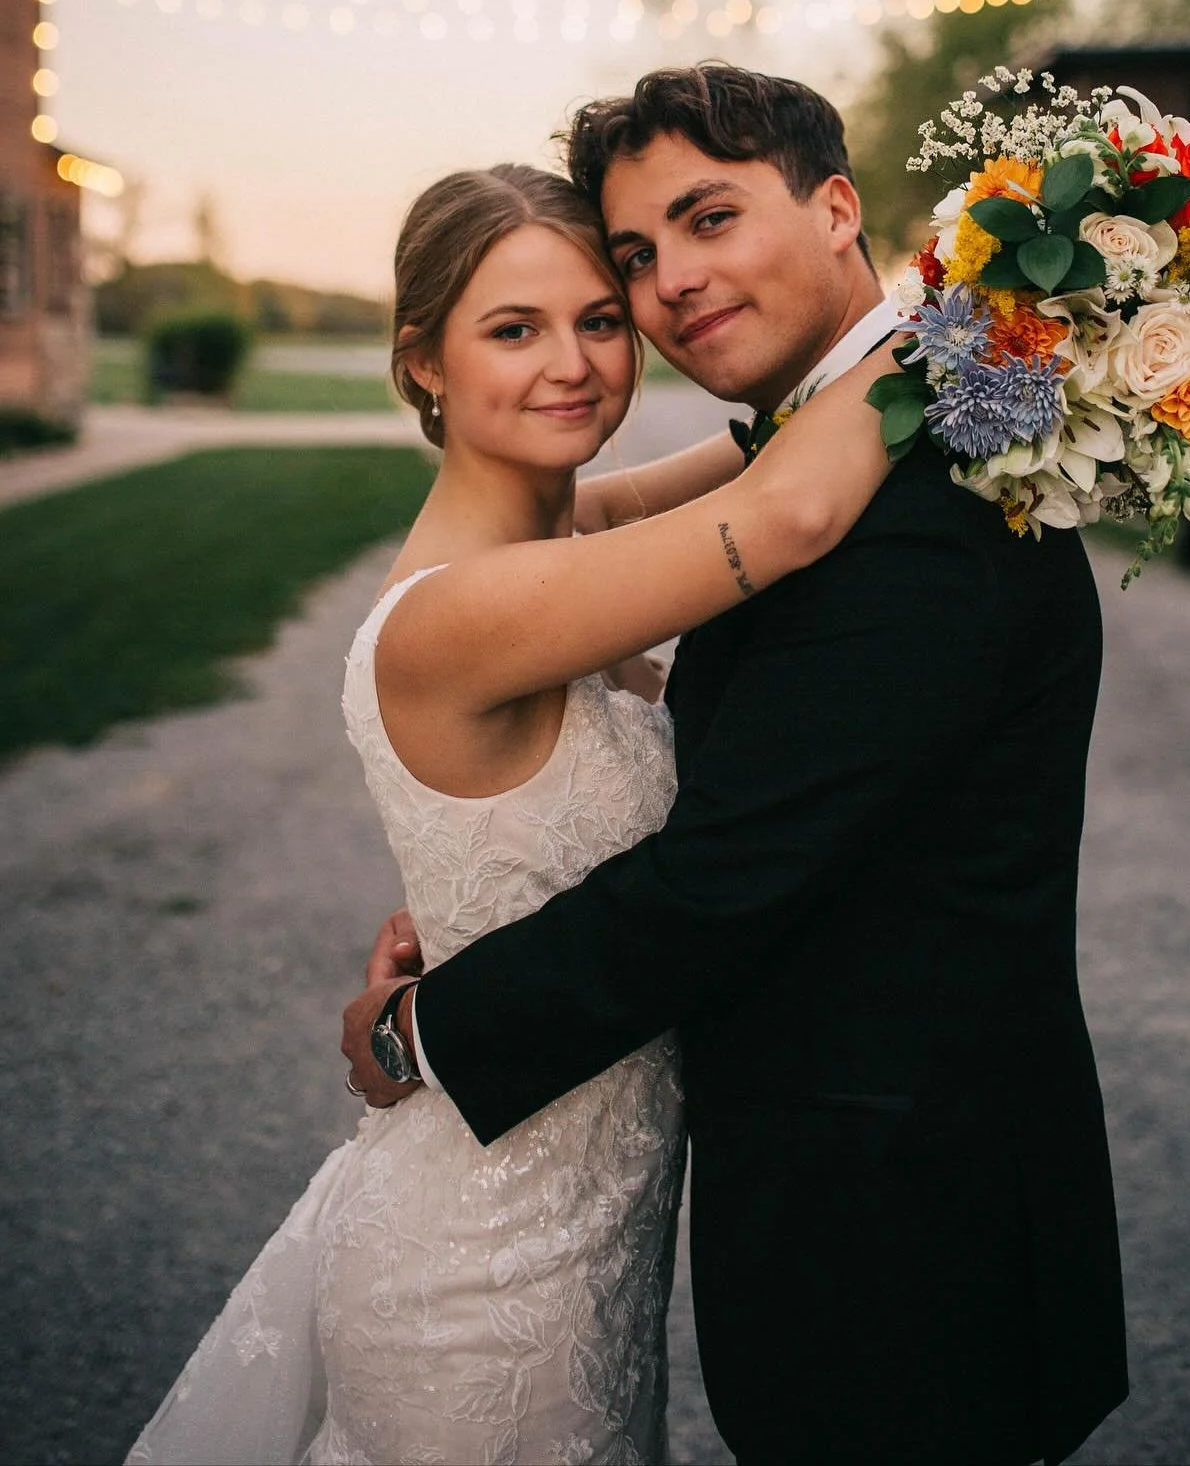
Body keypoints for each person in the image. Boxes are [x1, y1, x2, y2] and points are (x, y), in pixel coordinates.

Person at [344, 66, 1129, 1465]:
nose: (672, 284)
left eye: (708, 221)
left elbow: (723, 875)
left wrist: (431, 1026)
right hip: (759, 1220)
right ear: (425, 361)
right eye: (638, 258)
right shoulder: (867, 446)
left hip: (905, 1239)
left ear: (836, 210)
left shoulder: (927, 496)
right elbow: (755, 516)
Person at [126, 159, 897, 1466]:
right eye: (513, 330)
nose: (573, 365)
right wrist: (988, 313)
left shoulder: (556, 544)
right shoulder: (463, 611)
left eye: (599, 319)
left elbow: (751, 448)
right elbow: (793, 504)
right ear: (422, 362)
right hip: (481, 1274)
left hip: (591, 1258)